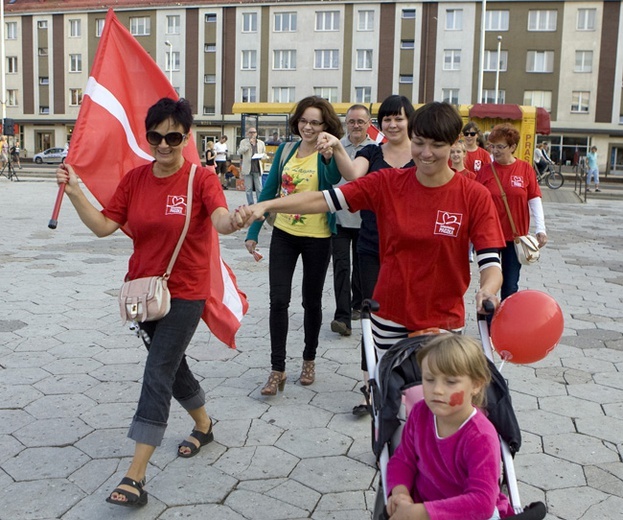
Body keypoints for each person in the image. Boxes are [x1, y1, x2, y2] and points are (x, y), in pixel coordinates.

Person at [55, 98, 245, 508]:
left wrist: (234, 221)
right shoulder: (136, 179)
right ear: (147, 137)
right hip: (144, 295)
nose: (164, 144)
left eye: (173, 136)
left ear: (186, 137)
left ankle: (134, 476)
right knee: (173, 367)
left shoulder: (201, 179)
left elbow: (220, 220)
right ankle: (204, 424)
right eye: (155, 136)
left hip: (186, 292)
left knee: (156, 371)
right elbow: (105, 226)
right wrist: (74, 192)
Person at [239, 101, 504, 359]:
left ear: (454, 143)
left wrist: (488, 290)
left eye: (437, 146)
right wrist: (268, 205)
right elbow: (324, 199)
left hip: (443, 319)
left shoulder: (474, 196)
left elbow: (490, 260)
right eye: (419, 143)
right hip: (388, 314)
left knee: (438, 399)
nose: (425, 153)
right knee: (390, 397)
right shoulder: (387, 182)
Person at [244, 95, 345, 396]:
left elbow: (333, 180)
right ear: (296, 121)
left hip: (318, 237)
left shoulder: (328, 153)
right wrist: (253, 230)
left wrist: (328, 155)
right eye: (303, 120)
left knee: (311, 302)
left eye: (315, 122)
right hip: (284, 234)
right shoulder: (286, 150)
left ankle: (309, 359)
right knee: (278, 300)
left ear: (325, 125)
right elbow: (270, 191)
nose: (308, 127)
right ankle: (277, 369)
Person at [385, 334, 514, 520]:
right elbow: (403, 459)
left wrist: (421, 513)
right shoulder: (420, 412)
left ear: (476, 385)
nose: (437, 389)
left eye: (450, 382)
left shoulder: (480, 436)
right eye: (429, 379)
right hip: (424, 504)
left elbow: (482, 502)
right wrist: (400, 493)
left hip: (471, 513)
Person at [476, 123, 548, 300]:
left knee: (510, 285)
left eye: (501, 147)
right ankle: (488, 323)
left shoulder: (524, 169)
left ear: (513, 147)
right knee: (489, 284)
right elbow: (475, 202)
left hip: (514, 237)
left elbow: (534, 199)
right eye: (492, 146)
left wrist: (541, 229)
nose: (495, 151)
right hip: (490, 236)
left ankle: (506, 323)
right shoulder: (485, 171)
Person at [330, 104, 374, 339]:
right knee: (341, 267)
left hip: (365, 220)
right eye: (351, 121)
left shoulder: (376, 150)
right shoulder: (336, 146)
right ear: (345, 123)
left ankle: (358, 305)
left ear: (369, 124)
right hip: (339, 218)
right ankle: (342, 317)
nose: (356, 125)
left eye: (360, 121)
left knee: (361, 269)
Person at [237, 126, 267, 204]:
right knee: (248, 189)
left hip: (257, 167)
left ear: (256, 133)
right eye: (250, 132)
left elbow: (264, 154)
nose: (252, 134)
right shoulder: (243, 142)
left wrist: (262, 157)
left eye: (254, 132)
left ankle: (259, 204)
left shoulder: (261, 143)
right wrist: (248, 145)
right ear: (247, 133)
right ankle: (251, 205)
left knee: (259, 188)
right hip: (248, 169)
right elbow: (239, 152)